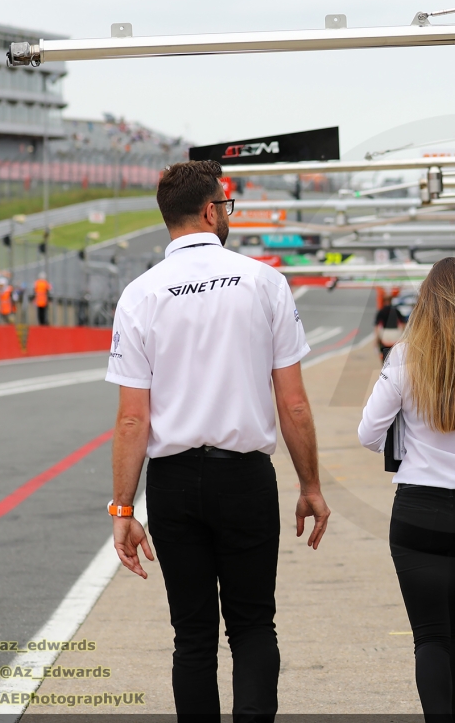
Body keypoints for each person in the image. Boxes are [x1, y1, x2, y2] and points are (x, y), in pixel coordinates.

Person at [105, 160, 331, 723]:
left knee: (193, 635)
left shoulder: (139, 295)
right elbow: (294, 402)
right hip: (244, 477)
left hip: (175, 483)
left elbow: (133, 420)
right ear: (211, 210)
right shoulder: (263, 281)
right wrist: (310, 484)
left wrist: (123, 508)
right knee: (254, 624)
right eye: (225, 205)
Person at [358, 257, 455, 722]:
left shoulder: (403, 356)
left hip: (417, 508)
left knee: (430, 636)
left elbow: (367, 433)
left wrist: (408, 438)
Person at [374, 291, 406, 361]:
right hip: (395, 333)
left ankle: (385, 363)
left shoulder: (381, 311)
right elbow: (403, 323)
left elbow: (377, 326)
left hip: (385, 333)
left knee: (384, 352)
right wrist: (403, 334)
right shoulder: (396, 310)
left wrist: (376, 340)